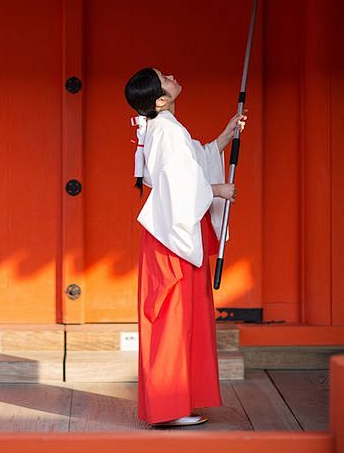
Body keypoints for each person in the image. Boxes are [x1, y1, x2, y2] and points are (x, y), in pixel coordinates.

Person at [124, 66, 248, 428]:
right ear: (161, 99)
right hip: (172, 240)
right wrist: (215, 191)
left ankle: (176, 403)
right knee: (171, 319)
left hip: (171, 235)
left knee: (180, 319)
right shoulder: (166, 131)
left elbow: (194, 162)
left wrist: (225, 136)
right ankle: (169, 407)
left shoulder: (167, 129)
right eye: (164, 78)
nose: (172, 76)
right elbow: (179, 186)